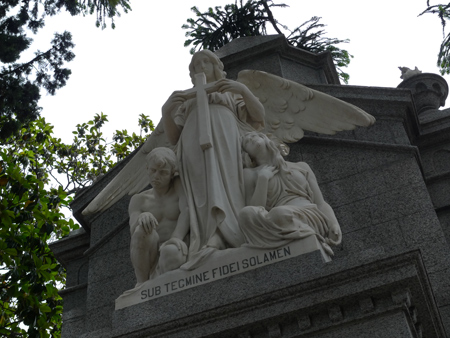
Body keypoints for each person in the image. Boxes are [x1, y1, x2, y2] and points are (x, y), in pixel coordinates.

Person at [162, 50, 265, 255]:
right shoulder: (187, 98)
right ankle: (208, 237)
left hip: (225, 136)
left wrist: (243, 90)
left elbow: (259, 116)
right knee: (202, 187)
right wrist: (166, 112)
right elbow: (174, 138)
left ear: (216, 66)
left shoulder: (230, 91)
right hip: (192, 143)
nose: (201, 66)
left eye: (206, 62)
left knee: (228, 179)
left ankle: (233, 231)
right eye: (196, 64)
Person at [239, 132, 342, 255]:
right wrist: (263, 180)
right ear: (247, 154)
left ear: (265, 138)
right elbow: (255, 208)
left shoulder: (301, 166)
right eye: (246, 142)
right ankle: (299, 239)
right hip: (277, 218)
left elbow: (320, 203)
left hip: (308, 213)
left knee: (280, 213)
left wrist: (334, 223)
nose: (251, 138)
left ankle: (311, 237)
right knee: (245, 214)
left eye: (254, 136)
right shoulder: (250, 174)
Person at [128, 147, 189, 286]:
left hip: (174, 246)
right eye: (153, 170)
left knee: (171, 252)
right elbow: (133, 229)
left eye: (163, 173)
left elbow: (186, 210)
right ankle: (142, 284)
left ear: (172, 174)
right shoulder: (139, 200)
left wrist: (176, 238)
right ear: (147, 168)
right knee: (141, 230)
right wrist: (142, 216)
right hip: (150, 254)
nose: (156, 176)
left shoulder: (179, 189)